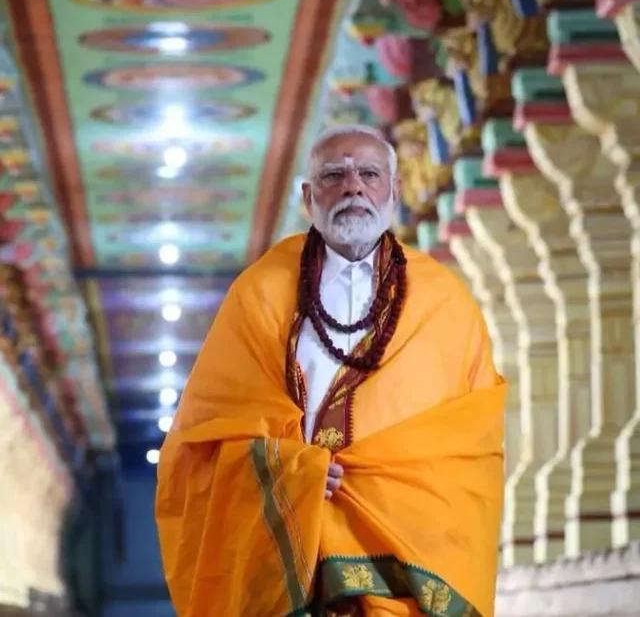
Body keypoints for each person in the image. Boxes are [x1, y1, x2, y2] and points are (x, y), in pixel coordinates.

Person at [156, 124, 506, 617]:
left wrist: (397, 486)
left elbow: (471, 445)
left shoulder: (445, 302)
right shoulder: (258, 294)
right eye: (334, 175)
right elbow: (205, 436)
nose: (353, 187)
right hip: (298, 549)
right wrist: (287, 473)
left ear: (395, 190)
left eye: (369, 173)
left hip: (409, 553)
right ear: (307, 196)